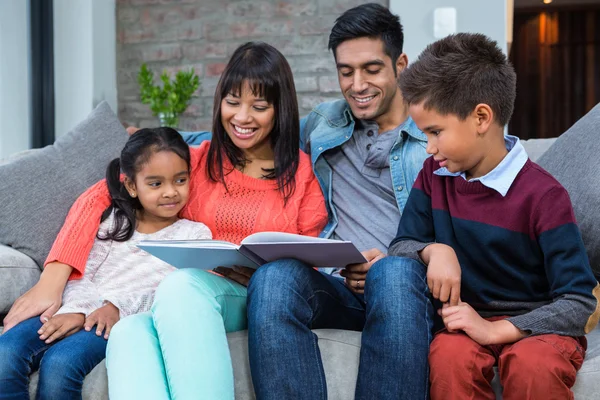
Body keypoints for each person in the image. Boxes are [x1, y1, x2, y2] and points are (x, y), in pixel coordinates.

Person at [3, 42, 328, 399]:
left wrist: (264, 274)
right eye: (232, 102)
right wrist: (53, 277)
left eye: (259, 106)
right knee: (128, 334)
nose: (242, 117)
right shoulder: (196, 160)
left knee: (183, 286)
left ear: (280, 109)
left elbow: (303, 263)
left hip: (247, 296)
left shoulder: (302, 177)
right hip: (171, 296)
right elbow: (103, 193)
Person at [237, 4, 457, 400]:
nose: (357, 85)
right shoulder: (325, 123)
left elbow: (464, 226)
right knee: (272, 279)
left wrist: (402, 258)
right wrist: (155, 144)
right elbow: (249, 133)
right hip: (338, 286)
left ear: (400, 64)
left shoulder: (436, 138)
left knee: (391, 273)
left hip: (406, 289)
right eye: (345, 71)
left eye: (371, 69)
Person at [392, 32, 600, 399]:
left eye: (436, 131)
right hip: (465, 325)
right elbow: (401, 247)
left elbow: (577, 303)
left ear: (481, 117)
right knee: (449, 357)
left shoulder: (545, 196)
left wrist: (498, 330)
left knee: (533, 365)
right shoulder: (433, 176)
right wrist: (433, 251)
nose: (429, 147)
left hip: (538, 328)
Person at [0, 127, 212, 400]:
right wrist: (78, 312)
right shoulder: (114, 221)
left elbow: (172, 294)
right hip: (77, 308)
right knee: (6, 352)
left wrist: (115, 307)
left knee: (61, 363)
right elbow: (82, 275)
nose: (170, 192)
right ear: (132, 186)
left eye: (180, 180)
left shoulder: (194, 235)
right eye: (156, 184)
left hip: (117, 322)